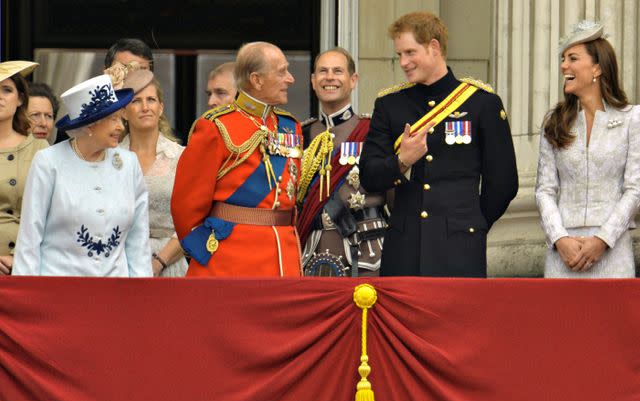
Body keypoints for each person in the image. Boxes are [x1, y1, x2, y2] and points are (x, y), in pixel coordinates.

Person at [359, 11, 518, 277]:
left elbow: (503, 183)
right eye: (399, 54)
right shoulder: (389, 105)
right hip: (404, 249)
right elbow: (369, 176)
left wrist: (471, 225)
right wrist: (402, 161)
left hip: (460, 249)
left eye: (410, 52)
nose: (403, 62)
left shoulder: (482, 103)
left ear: (434, 47)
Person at [171, 41, 302, 277]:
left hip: (284, 258)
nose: (290, 79)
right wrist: (205, 251)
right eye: (282, 72)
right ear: (256, 79)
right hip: (229, 263)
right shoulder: (216, 126)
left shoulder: (290, 127)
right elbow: (186, 206)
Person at [535, 21, 640, 278]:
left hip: (612, 249)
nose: (564, 66)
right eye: (563, 59)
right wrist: (559, 238)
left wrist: (603, 239)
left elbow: (634, 189)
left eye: (573, 58)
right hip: (562, 252)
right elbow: (544, 190)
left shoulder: (632, 119)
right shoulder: (555, 119)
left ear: (597, 67)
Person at [13, 74, 151, 276]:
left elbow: (138, 240)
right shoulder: (48, 162)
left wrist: (142, 293)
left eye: (120, 118)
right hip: (60, 291)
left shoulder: (129, 164)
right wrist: (28, 299)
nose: (121, 126)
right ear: (90, 125)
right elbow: (30, 237)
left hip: (116, 292)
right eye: (113, 119)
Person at [297, 47, 388, 277]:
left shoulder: (373, 130)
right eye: (323, 71)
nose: (329, 77)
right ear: (313, 80)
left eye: (338, 71)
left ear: (353, 80)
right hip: (310, 252)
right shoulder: (302, 134)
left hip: (366, 254)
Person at [120, 72, 188, 277]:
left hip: (170, 264)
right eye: (136, 101)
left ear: (161, 108)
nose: (145, 107)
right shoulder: (110, 159)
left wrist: (159, 263)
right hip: (120, 264)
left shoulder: (181, 157)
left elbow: (192, 221)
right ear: (123, 112)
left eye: (151, 100)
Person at [0, 61, 49, 275]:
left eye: (6, 90)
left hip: (29, 265)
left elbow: (53, 213)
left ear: (20, 99)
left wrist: (20, 256)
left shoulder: (40, 148)